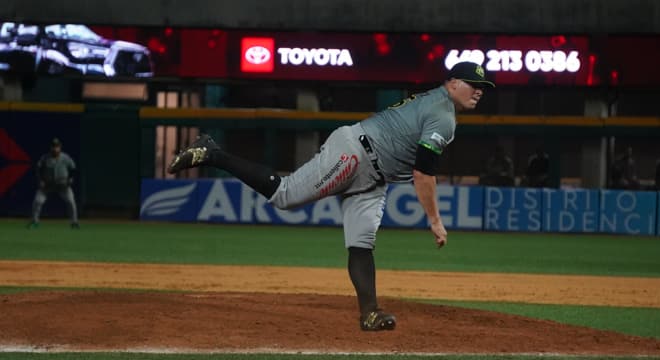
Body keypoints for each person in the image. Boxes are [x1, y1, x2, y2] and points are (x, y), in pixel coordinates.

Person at [167, 61, 495, 331]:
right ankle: (212, 153)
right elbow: (424, 172)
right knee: (284, 195)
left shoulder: (435, 102)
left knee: (362, 243)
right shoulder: (443, 115)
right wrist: (435, 221)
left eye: (483, 87)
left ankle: (369, 313)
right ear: (452, 83)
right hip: (356, 154)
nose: (478, 91)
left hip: (374, 176)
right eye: (471, 83)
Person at [28, 137, 79, 229]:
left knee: (71, 201)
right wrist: (40, 180)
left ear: (60, 147)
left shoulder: (65, 157)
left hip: (63, 185)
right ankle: (34, 222)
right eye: (53, 146)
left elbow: (73, 168)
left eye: (57, 146)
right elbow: (38, 169)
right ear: (50, 148)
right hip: (47, 185)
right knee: (37, 201)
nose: (55, 148)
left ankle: (74, 222)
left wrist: (71, 178)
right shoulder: (45, 158)